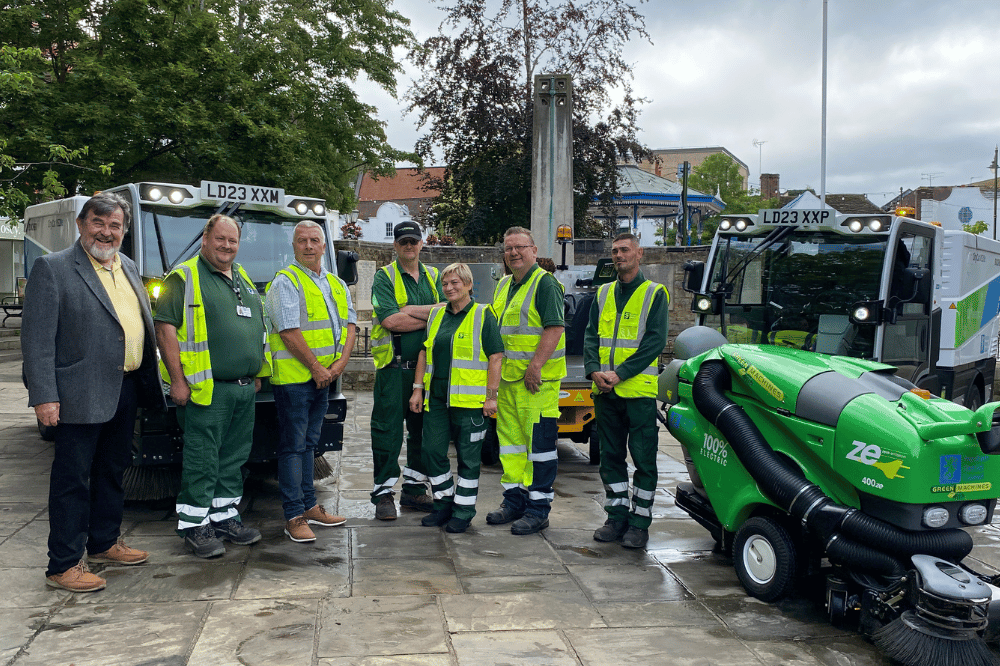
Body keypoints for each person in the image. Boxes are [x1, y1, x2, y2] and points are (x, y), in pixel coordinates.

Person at [22, 193, 166, 592]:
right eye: (98, 223)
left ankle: (104, 542)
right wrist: (44, 396)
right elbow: (37, 341)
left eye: (115, 225)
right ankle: (63, 564)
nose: (106, 232)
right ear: (81, 224)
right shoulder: (53, 269)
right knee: (72, 480)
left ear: (124, 230)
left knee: (112, 471)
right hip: (76, 394)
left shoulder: (130, 267)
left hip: (125, 386)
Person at [155, 214, 270, 558]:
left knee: (233, 458)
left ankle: (225, 516)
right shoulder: (184, 277)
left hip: (243, 388)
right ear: (205, 238)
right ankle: (194, 525)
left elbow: (256, 329)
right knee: (203, 459)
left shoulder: (243, 278)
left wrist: (258, 372)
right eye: (220, 239)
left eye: (232, 241)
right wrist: (177, 381)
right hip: (206, 388)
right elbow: (165, 329)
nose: (226, 246)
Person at [265, 221, 356, 542]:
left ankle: (309, 506)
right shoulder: (285, 282)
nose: (308, 245)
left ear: (323, 245)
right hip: (295, 381)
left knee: (309, 445)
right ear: (293, 246)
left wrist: (340, 365)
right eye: (301, 240)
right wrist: (319, 368)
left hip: (324, 379)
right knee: (292, 446)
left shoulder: (335, 283)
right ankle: (293, 515)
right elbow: (289, 332)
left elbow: (350, 326)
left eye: (314, 240)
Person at [584, 233, 669, 549]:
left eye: (624, 250)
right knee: (611, 457)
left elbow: (654, 342)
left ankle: (640, 523)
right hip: (605, 392)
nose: (619, 255)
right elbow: (591, 335)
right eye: (615, 251)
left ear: (639, 254)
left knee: (644, 459)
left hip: (638, 393)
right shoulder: (603, 293)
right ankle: (616, 516)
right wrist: (594, 370)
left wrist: (619, 374)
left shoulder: (654, 294)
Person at [408, 263, 503, 533]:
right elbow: (425, 354)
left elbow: (495, 357)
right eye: (446, 284)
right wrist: (417, 388)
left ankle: (463, 511)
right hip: (436, 398)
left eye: (455, 283)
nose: (449, 288)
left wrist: (491, 397)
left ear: (469, 285)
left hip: (470, 404)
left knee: (468, 459)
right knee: (431, 452)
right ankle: (444, 503)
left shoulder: (484, 315)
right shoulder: (437, 316)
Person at [488, 227, 566, 535]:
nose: (514, 253)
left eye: (520, 247)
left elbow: (555, 327)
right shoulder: (504, 284)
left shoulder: (545, 284)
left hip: (537, 384)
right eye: (508, 249)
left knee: (539, 448)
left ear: (534, 250)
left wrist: (536, 366)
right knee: (511, 446)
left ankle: (538, 509)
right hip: (509, 382)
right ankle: (514, 501)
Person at [368, 221, 443, 520]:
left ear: (421, 244)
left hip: (426, 371)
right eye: (403, 242)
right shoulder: (384, 277)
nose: (409, 246)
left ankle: (414, 490)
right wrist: (431, 315)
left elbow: (449, 311)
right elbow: (390, 322)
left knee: (422, 432)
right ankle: (383, 494)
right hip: (393, 369)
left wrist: (409, 310)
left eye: (413, 241)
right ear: (395, 246)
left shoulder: (435, 276)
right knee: (387, 432)